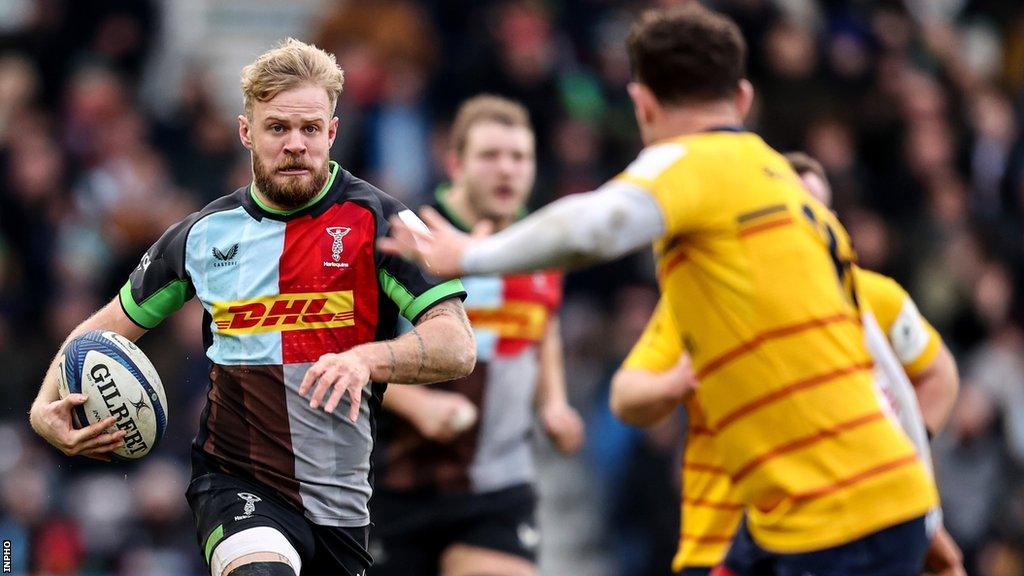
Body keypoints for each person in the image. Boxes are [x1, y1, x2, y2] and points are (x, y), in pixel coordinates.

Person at [381, 5, 940, 574]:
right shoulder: (791, 195)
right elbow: (879, 364)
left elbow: (594, 225)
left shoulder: (694, 162)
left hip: (833, 523)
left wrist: (469, 255)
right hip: (863, 503)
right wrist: (927, 513)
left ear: (642, 104)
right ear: (743, 98)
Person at [28, 39, 477, 576]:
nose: (295, 144)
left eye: (310, 129)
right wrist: (42, 410)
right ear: (247, 133)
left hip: (341, 507)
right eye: (277, 128)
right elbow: (100, 333)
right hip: (235, 482)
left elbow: (458, 344)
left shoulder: (387, 226)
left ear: (331, 133)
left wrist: (369, 360)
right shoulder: (200, 236)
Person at [609, 152, 964, 576]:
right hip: (718, 541)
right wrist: (675, 382)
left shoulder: (874, 297)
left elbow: (937, 374)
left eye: (814, 208)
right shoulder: (698, 300)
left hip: (834, 528)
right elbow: (625, 396)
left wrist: (895, 463)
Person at [369, 95, 585, 576]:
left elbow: (542, 326)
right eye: (490, 156)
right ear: (455, 163)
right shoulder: (407, 242)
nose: (507, 170)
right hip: (396, 485)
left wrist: (554, 402)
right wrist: (418, 405)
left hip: (499, 488)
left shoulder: (539, 248)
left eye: (519, 157)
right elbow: (344, 355)